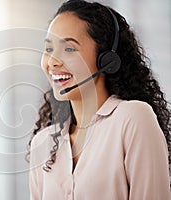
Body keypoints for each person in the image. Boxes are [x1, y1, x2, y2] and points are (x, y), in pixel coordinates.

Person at [27, 0, 171, 199]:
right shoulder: (42, 143)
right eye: (49, 49)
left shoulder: (132, 118)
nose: (52, 61)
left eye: (69, 49)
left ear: (106, 60)